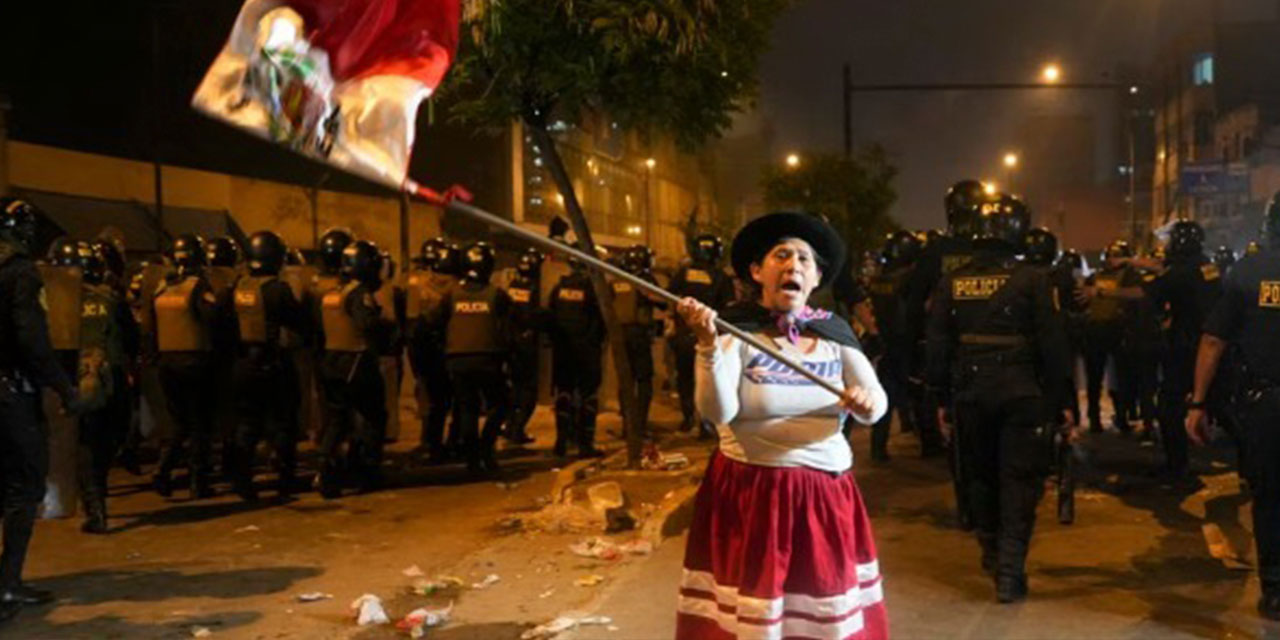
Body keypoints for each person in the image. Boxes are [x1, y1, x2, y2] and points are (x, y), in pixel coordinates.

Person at [674, 211, 888, 640]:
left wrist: (865, 403)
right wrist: (707, 345)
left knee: (819, 615)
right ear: (757, 271)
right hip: (750, 496)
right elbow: (718, 412)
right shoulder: (734, 329)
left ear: (816, 278)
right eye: (781, 255)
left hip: (823, 499)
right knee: (754, 619)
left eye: (805, 259)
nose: (794, 265)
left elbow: (877, 405)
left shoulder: (834, 332)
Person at [926, 196, 1071, 602]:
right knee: (1020, 480)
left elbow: (937, 345)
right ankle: (1010, 571)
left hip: (970, 393)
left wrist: (939, 398)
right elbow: (1054, 345)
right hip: (1022, 390)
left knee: (980, 475)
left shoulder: (951, 282)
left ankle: (991, 550)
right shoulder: (1033, 279)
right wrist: (1062, 402)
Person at [1186, 192, 1280, 620]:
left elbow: (1213, 341)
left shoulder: (1248, 272)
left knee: (1270, 496)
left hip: (1267, 403)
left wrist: (1198, 402)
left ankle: (1276, 590)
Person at [0, 198, 82, 620]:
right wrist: (64, 387)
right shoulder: (20, 274)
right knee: (25, 486)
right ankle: (8, 585)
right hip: (11, 393)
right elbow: (32, 341)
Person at [906, 179, 989, 530]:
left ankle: (970, 507)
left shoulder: (936, 252)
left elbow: (912, 305)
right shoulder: (1001, 250)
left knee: (958, 433)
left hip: (955, 356)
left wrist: (915, 353)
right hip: (1003, 357)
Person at [228, 231, 307, 501]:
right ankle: (286, 480)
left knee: (247, 424)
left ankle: (242, 481)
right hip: (271, 362)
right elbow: (299, 321)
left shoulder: (236, 287)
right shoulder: (277, 289)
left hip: (241, 363)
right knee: (284, 422)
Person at [1140, 220, 1221, 481]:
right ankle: (1249, 463)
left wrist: (1101, 292)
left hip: (1187, 348)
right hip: (1217, 345)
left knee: (1168, 406)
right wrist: (1133, 262)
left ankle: (1177, 465)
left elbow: (1146, 292)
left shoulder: (1179, 272)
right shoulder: (1207, 266)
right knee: (1224, 403)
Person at [317, 239, 393, 498]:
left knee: (337, 420)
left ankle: (326, 470)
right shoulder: (359, 294)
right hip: (357, 361)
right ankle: (367, 471)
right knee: (373, 416)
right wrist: (386, 325)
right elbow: (368, 326)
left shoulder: (332, 293)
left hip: (331, 360)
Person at [431, 242, 512, 474]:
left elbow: (433, 322)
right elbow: (511, 326)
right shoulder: (496, 296)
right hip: (488, 360)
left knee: (468, 409)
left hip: (457, 360)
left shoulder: (451, 296)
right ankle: (486, 449)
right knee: (500, 405)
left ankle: (472, 459)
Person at [75, 241, 139, 533]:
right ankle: (98, 496)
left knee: (86, 444)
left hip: (78, 380)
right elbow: (132, 338)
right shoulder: (112, 299)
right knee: (106, 440)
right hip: (113, 378)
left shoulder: (58, 303)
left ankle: (94, 506)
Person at [151, 234, 220, 499]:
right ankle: (197, 482)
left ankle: (163, 471)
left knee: (178, 423)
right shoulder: (197, 287)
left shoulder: (162, 287)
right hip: (194, 362)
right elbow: (212, 318)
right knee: (200, 425)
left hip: (166, 364)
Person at [867, 230, 936, 461]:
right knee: (920, 397)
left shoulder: (879, 279)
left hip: (887, 344)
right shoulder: (911, 278)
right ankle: (929, 445)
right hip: (909, 343)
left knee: (886, 399)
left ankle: (878, 448)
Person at [668, 233, 734, 437]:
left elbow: (670, 299)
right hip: (707, 336)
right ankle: (706, 423)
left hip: (683, 335)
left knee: (685, 378)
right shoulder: (720, 277)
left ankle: (688, 418)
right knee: (706, 377)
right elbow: (728, 308)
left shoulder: (683, 273)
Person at [548, 248, 606, 459]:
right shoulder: (594, 288)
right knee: (589, 396)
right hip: (586, 350)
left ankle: (561, 441)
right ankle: (585, 444)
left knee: (564, 393)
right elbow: (602, 319)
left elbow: (551, 316)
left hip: (563, 350)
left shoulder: (559, 288)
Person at [406, 237, 459, 462]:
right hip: (448, 347)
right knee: (454, 399)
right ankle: (453, 442)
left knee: (430, 397)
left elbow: (407, 316)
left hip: (421, 346)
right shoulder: (457, 286)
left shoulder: (415, 281)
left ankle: (430, 443)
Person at [1081, 239, 1141, 433]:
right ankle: (1095, 417)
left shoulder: (1131, 276)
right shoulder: (1094, 277)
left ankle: (1122, 415)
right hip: (1097, 330)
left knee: (1122, 378)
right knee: (1095, 379)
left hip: (1119, 329)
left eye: (1116, 256)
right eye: (1110, 256)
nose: (1112, 260)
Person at [613, 244, 666, 440]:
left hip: (620, 335)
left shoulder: (617, 278)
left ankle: (627, 427)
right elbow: (662, 301)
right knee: (644, 381)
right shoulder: (644, 279)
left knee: (625, 380)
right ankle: (639, 427)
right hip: (639, 335)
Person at [504, 247, 545, 445]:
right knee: (528, 390)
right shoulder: (536, 288)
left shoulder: (513, 285)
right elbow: (536, 316)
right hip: (527, 345)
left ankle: (510, 425)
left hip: (511, 343)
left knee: (514, 387)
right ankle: (517, 428)